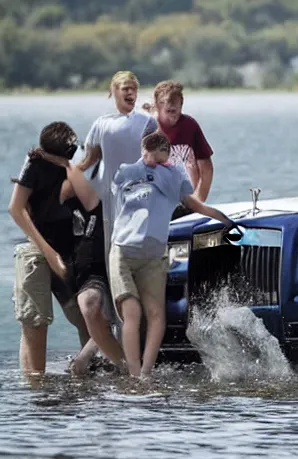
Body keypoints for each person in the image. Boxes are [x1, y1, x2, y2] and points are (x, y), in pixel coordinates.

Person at [107, 132, 234, 378]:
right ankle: (133, 373)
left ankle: (145, 372)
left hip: (154, 255)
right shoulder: (127, 171)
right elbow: (109, 186)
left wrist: (225, 220)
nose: (150, 163)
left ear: (167, 155)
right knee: (132, 312)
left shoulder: (175, 175)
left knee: (156, 315)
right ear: (141, 153)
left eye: (157, 159)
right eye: (146, 158)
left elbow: (195, 204)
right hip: (123, 249)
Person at [9, 122, 124, 375]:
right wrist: (48, 253)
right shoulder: (35, 164)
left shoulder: (80, 166)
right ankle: (35, 388)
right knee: (35, 322)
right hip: (38, 249)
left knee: (87, 319)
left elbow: (94, 200)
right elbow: (15, 208)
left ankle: (90, 375)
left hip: (71, 252)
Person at [75, 70, 158, 265]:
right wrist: (64, 173)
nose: (131, 93)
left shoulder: (146, 122)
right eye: (126, 88)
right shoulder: (102, 124)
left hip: (141, 197)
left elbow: (156, 159)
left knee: (140, 251)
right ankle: (116, 293)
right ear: (114, 91)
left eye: (134, 89)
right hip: (111, 199)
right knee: (113, 253)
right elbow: (89, 160)